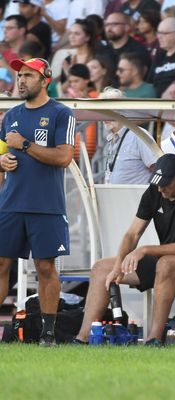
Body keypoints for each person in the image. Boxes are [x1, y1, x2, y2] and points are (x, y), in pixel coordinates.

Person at [73, 153, 175, 345]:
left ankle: (153, 340)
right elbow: (132, 234)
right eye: (158, 183)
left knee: (166, 264)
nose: (160, 189)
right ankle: (82, 339)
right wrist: (118, 265)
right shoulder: (154, 191)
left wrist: (143, 250)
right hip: (165, 256)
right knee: (101, 268)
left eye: (165, 184)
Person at [0, 57, 76, 346]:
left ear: (45, 80)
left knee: (45, 267)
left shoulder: (61, 113)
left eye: (29, 76)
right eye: (20, 75)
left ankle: (48, 333)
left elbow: (64, 157)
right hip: (11, 204)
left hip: (47, 205)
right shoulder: (11, 115)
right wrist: (1, 160)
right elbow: (2, 151)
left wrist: (26, 145)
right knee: (0, 264)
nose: (22, 81)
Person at [100, 87, 157, 184]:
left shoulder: (139, 135)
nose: (106, 116)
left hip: (138, 198)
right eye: (103, 111)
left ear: (123, 111)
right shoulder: (110, 139)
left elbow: (157, 169)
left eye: (111, 111)